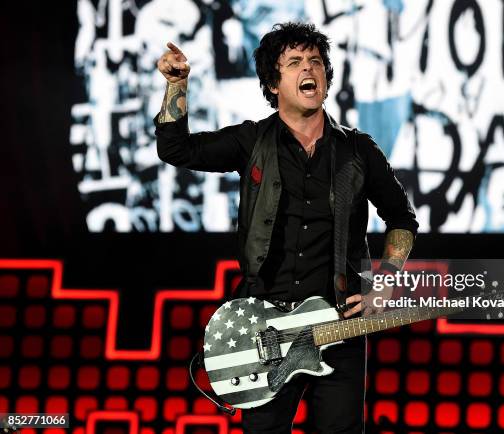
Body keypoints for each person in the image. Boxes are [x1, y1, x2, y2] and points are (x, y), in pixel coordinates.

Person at [155, 22, 418, 434]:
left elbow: (402, 218)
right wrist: (177, 85)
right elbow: (175, 148)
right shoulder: (252, 141)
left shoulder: (358, 149)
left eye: (315, 61)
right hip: (265, 332)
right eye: (294, 62)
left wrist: (385, 281)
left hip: (339, 327)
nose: (307, 68)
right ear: (273, 84)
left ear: (327, 78)